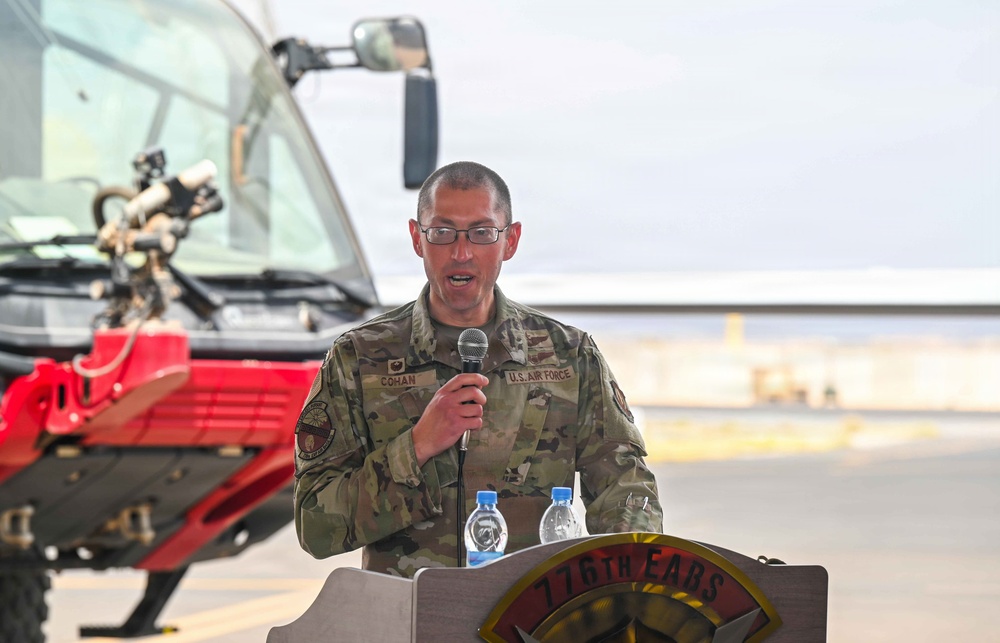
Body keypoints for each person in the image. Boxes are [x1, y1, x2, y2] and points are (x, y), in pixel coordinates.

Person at [293, 161, 661, 577]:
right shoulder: (358, 358)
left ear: (511, 240)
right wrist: (415, 447)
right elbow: (315, 525)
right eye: (443, 232)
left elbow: (626, 491)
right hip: (411, 616)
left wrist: (627, 587)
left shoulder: (567, 356)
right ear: (417, 238)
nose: (461, 252)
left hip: (527, 615)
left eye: (483, 233)